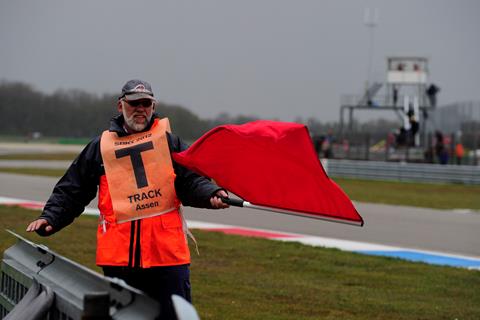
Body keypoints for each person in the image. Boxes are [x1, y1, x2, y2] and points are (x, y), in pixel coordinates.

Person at [26, 79, 229, 319]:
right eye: (134, 103)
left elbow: (191, 180)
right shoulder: (101, 147)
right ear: (120, 105)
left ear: (154, 106)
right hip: (119, 258)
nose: (140, 109)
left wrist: (211, 193)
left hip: (166, 257)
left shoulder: (169, 142)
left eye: (146, 103)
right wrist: (51, 217)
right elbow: (73, 188)